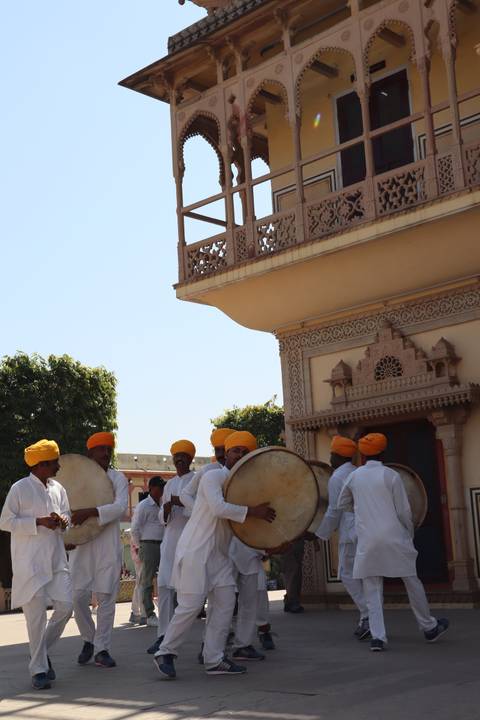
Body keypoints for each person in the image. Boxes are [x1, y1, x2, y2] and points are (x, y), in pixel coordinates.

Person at [154, 431, 276, 678]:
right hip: (197, 551)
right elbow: (219, 508)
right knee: (191, 605)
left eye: (246, 451)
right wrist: (254, 511)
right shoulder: (214, 475)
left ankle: (214, 658)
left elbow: (250, 523)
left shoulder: (246, 485)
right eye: (235, 450)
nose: (240, 455)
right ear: (227, 453)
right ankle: (165, 652)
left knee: (225, 603)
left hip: (220, 556)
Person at [337, 432, 449, 652]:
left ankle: (378, 638)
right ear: (383, 452)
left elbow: (342, 503)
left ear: (363, 454)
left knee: (372, 588)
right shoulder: (391, 476)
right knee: (411, 581)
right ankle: (428, 627)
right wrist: (409, 534)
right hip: (394, 537)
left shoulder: (355, 476)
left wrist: (362, 512)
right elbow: (404, 511)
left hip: (367, 540)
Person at [0, 439, 73, 690]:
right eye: (55, 462)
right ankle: (39, 670)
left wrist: (63, 520)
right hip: (29, 563)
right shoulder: (19, 488)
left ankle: (38, 652)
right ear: (41, 464)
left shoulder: (58, 489)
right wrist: (38, 522)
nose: (58, 466)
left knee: (66, 606)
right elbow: (5, 521)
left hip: (55, 559)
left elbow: (68, 516)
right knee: (36, 617)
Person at [69, 431, 129, 668]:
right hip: (82, 543)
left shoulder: (118, 478)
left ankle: (102, 648)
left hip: (107, 544)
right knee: (77, 596)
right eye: (101, 449)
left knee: (106, 597)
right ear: (89, 453)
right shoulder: (77, 479)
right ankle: (88, 639)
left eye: (108, 449)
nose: (105, 453)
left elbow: (120, 508)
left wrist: (91, 511)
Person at [315, 435, 369, 639]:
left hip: (349, 532)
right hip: (364, 530)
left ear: (338, 456)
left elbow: (334, 511)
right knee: (365, 576)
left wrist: (319, 533)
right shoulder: (357, 473)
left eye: (332, 454)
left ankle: (367, 615)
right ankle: (369, 616)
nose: (330, 458)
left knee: (347, 574)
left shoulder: (337, 477)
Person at [147, 440, 196, 655]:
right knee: (165, 587)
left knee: (191, 592)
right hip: (170, 542)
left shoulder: (196, 480)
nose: (179, 459)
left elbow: (200, 510)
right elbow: (161, 518)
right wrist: (166, 509)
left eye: (183, 455)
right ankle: (162, 635)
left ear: (190, 458)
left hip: (190, 540)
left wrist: (181, 502)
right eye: (176, 456)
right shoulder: (168, 485)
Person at [131, 476, 165, 626]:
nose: (161, 490)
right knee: (147, 581)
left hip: (164, 544)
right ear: (151, 488)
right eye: (159, 487)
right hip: (148, 545)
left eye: (162, 487)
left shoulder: (164, 504)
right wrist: (139, 547)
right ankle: (149, 614)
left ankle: (164, 611)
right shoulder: (144, 506)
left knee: (165, 579)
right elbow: (135, 528)